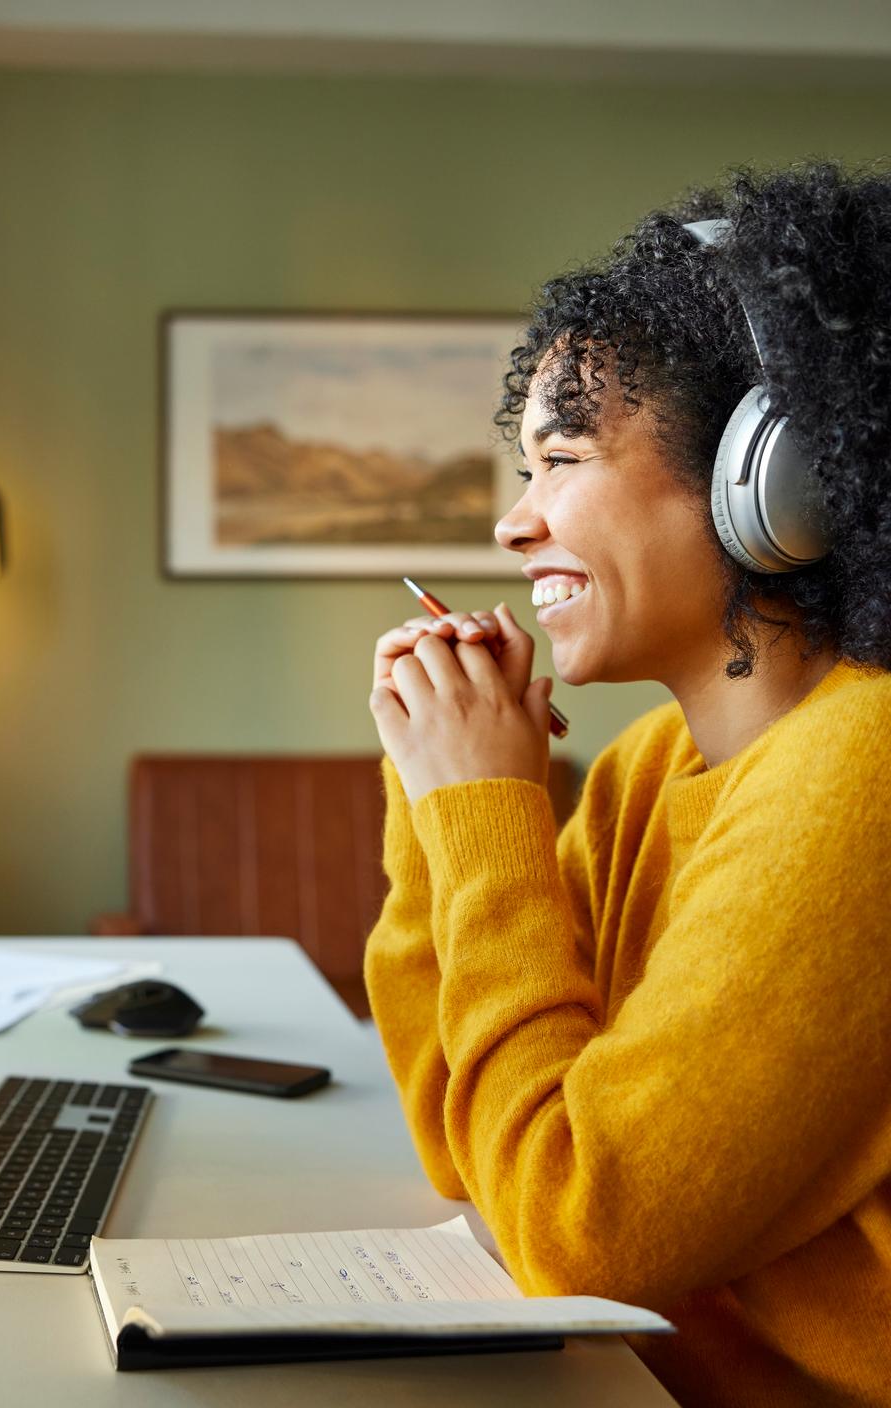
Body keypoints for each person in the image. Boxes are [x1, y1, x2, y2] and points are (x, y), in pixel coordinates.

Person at [365, 160, 891, 1408]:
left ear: (770, 480)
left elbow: (572, 1232)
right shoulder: (657, 764)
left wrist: (483, 814)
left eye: (560, 460)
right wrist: (434, 794)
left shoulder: (861, 771)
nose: (512, 521)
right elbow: (466, 1140)